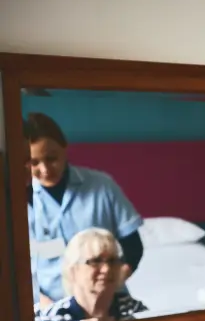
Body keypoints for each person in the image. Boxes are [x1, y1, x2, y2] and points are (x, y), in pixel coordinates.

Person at [25, 112, 144, 305]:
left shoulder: (102, 186)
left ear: (65, 148)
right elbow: (18, 267)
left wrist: (110, 286)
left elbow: (133, 247)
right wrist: (44, 304)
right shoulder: (18, 199)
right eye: (34, 163)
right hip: (50, 304)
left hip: (108, 300)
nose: (45, 170)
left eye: (52, 158)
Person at [35, 228, 147, 321]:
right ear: (73, 270)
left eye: (112, 261)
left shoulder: (133, 309)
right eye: (95, 261)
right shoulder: (52, 320)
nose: (106, 269)